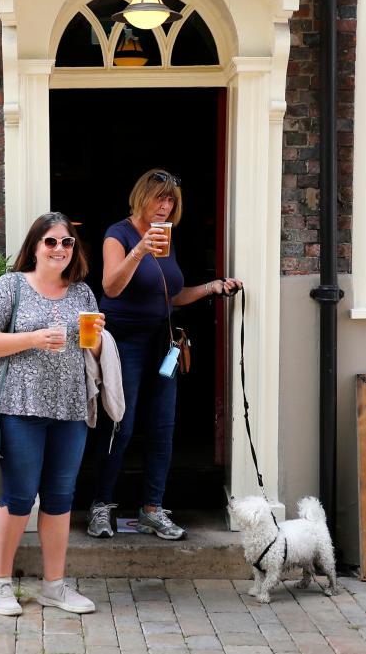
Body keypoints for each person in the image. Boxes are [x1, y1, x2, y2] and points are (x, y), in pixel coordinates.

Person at [86, 169, 242, 541]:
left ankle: (152, 509)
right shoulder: (117, 234)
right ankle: (100, 505)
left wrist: (213, 287)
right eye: (160, 198)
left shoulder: (169, 239)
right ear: (142, 197)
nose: (165, 206)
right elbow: (111, 285)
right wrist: (139, 250)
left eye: (171, 200)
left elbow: (170, 295)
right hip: (124, 343)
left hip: (163, 341)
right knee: (119, 424)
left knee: (163, 428)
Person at [0, 212, 106, 616]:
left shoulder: (82, 293)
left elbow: (92, 353)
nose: (60, 249)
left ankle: (54, 585)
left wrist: (98, 339)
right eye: (51, 242)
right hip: (19, 406)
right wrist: (32, 338)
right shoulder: (10, 286)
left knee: (61, 498)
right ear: (34, 246)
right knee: (17, 496)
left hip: (69, 408)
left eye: (67, 243)